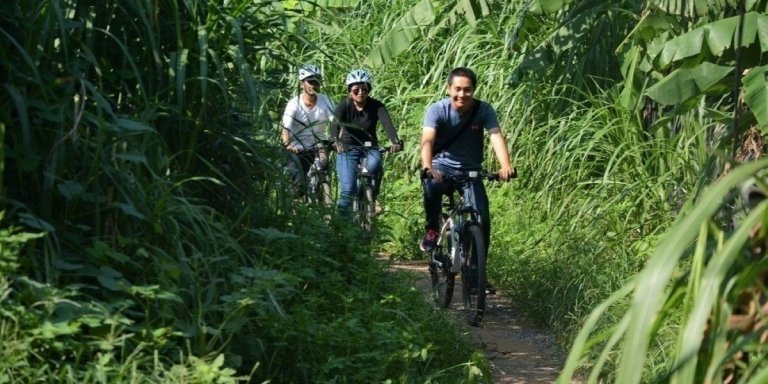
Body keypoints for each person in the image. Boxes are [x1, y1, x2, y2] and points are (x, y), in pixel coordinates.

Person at [419, 67, 514, 291]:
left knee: (483, 218)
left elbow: (495, 136)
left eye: (467, 90)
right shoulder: (437, 110)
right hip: (441, 168)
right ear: (448, 88)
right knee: (431, 188)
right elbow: (427, 141)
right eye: (457, 89)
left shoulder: (483, 110)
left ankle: (475, 271)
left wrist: (505, 166)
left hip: (470, 173)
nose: (462, 95)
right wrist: (428, 167)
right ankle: (432, 228)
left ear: (474, 90)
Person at [331, 68, 403, 214]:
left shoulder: (377, 106)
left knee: (375, 165)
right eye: (356, 90)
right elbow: (334, 125)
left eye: (364, 89)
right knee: (347, 190)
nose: (360, 93)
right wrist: (335, 142)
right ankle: (339, 227)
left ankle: (372, 196)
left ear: (369, 90)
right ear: (350, 91)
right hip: (347, 149)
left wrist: (395, 142)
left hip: (370, 148)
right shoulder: (344, 105)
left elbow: (387, 124)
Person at [281, 64, 336, 196]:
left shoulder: (326, 100)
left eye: (317, 82)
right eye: (310, 81)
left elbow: (336, 122)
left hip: (319, 143)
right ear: (302, 84)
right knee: (297, 185)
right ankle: (296, 205)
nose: (314, 85)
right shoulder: (294, 104)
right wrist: (288, 144)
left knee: (323, 166)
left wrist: (337, 140)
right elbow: (285, 127)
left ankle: (322, 196)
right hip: (297, 146)